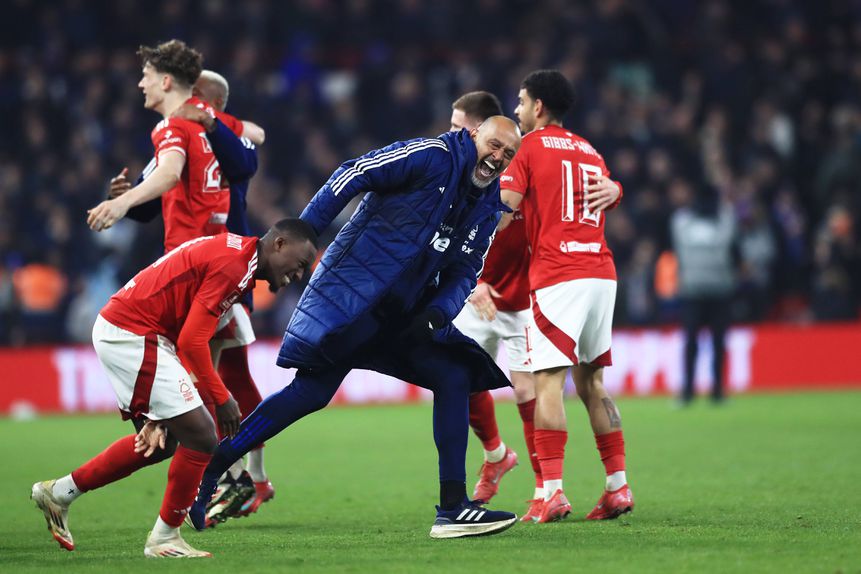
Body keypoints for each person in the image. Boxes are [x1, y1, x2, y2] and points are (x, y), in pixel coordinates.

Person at [191, 116, 523, 539]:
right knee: (310, 394)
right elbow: (354, 172)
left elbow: (465, 269)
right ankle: (215, 464)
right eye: (494, 145)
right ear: (475, 134)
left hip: (406, 317)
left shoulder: (488, 203)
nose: (498, 158)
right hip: (355, 302)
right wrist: (304, 234)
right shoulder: (431, 155)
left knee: (455, 375)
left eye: (507, 154)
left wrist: (439, 313)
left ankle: (453, 510)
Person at [31, 220, 318, 558]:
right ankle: (164, 538)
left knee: (163, 443)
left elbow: (188, 331)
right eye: (299, 265)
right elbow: (193, 341)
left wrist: (164, 407)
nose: (298, 276)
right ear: (280, 244)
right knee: (203, 435)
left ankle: (60, 492)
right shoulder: (235, 267)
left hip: (138, 331)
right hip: (134, 332)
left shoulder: (238, 256)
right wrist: (221, 397)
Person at [109, 68, 275, 525]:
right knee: (232, 374)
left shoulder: (216, 133)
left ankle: (234, 476)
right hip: (207, 265)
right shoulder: (186, 134)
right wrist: (129, 201)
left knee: (209, 374)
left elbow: (253, 141)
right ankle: (250, 477)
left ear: (201, 99)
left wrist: (211, 119)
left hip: (222, 266)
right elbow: (159, 192)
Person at [500, 70, 633, 523]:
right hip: (600, 271)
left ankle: (552, 491)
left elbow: (504, 210)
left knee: (548, 382)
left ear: (538, 106)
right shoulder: (589, 150)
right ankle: (618, 486)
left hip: (559, 276)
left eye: (520, 102)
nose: (516, 110)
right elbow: (609, 192)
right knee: (593, 383)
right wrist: (618, 192)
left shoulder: (530, 147)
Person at [447, 92, 543, 519]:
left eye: (456, 126)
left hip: (522, 298)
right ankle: (496, 454)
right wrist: (475, 282)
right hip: (477, 294)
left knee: (526, 390)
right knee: (459, 379)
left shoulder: (526, 167)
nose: (450, 133)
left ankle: (546, 487)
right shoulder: (457, 173)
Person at [670, 186, 737, 404]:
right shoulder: (723, 222)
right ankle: (714, 391)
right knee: (713, 343)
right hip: (715, 290)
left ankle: (690, 392)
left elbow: (679, 218)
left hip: (696, 290)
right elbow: (730, 219)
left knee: (695, 343)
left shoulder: (683, 223)